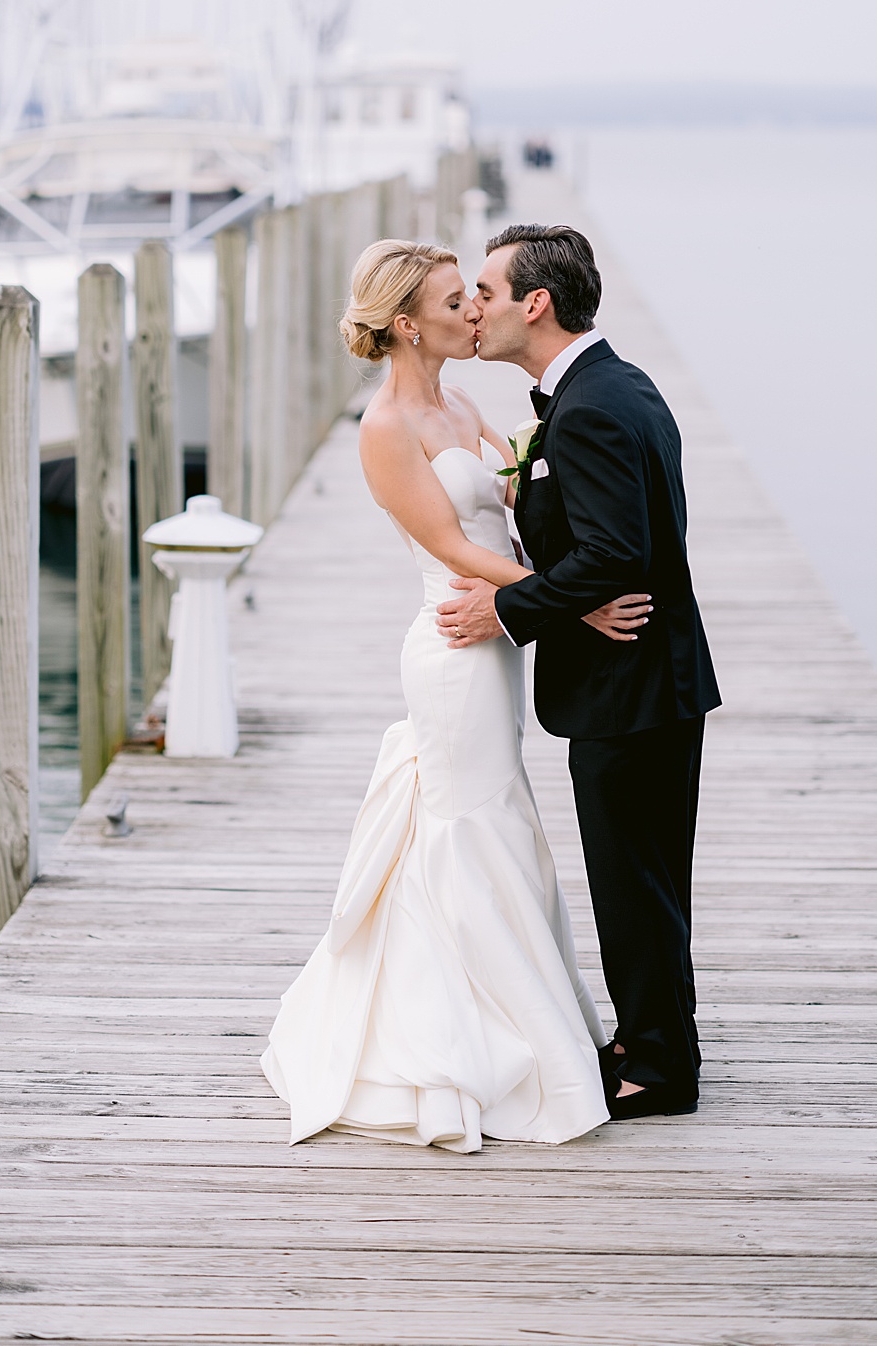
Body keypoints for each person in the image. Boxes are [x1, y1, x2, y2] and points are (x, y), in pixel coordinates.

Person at [262, 239, 647, 1152]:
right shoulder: (385, 429)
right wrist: (573, 603)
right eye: (453, 300)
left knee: (493, 816)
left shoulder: (463, 401)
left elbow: (512, 509)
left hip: (497, 637)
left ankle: (521, 1016)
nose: (474, 311)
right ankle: (472, 1036)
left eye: (475, 297)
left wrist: (547, 557)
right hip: (454, 639)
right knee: (469, 824)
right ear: (407, 324)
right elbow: (450, 544)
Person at [436, 223, 721, 1120]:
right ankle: (655, 1037)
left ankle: (658, 1073)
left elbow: (616, 552)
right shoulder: (606, 385)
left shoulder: (592, 405)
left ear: (536, 303)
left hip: (630, 684)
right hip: (652, 679)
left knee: (632, 880)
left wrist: (506, 608)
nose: (473, 308)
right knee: (648, 875)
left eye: (485, 291)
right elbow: (611, 539)